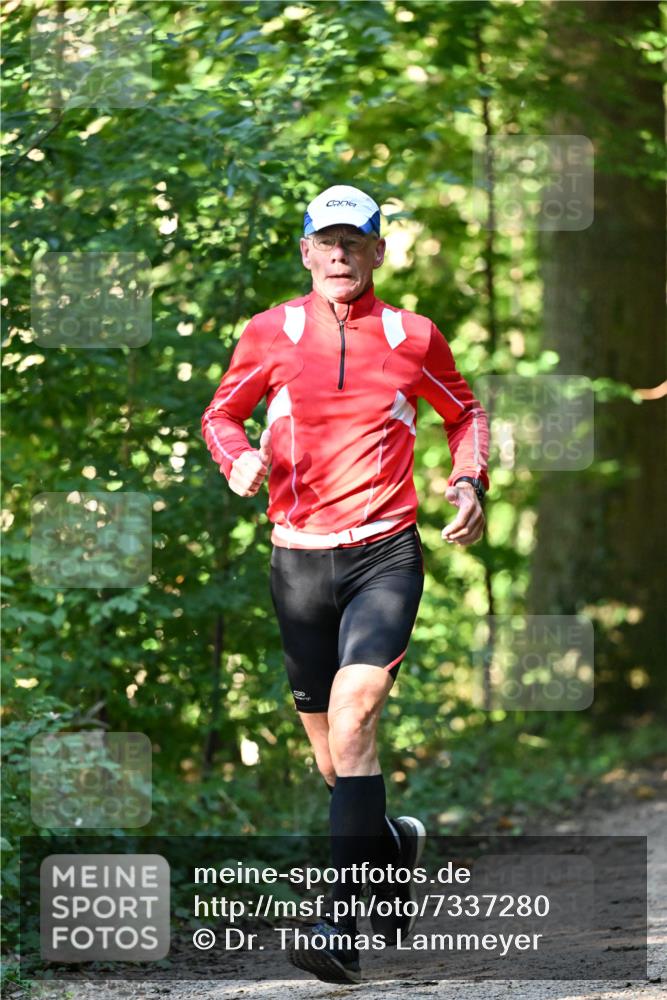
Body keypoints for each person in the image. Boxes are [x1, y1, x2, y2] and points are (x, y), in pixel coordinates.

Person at [201, 184, 489, 983]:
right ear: (305, 251)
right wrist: (239, 461)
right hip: (297, 564)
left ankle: (335, 921)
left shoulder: (411, 335)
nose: (338, 254)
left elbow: (462, 413)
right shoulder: (270, 332)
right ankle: (392, 843)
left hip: (383, 555)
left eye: (353, 242)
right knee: (336, 764)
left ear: (376, 252)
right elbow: (220, 416)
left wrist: (468, 482)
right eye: (325, 242)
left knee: (356, 715)